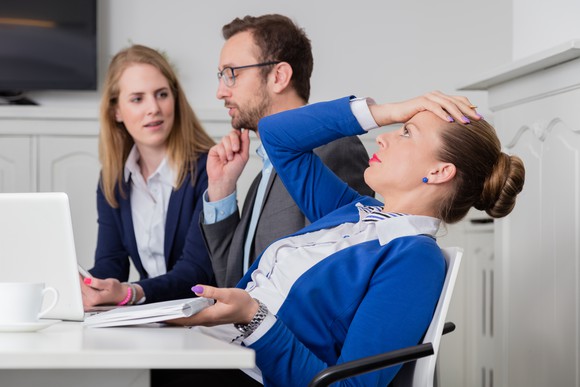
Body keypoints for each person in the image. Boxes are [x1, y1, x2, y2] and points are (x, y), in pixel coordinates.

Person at [153, 91, 525, 386]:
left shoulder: (415, 260)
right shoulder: (354, 210)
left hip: (248, 374)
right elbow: (276, 135)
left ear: (439, 171)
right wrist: (391, 111)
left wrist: (252, 316)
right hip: (219, 351)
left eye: (406, 132)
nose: (383, 139)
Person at [201, 14, 374, 288]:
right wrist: (221, 191)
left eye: (231, 74)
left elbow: (337, 280)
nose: (220, 91)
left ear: (279, 76)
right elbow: (231, 282)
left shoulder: (333, 150)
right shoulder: (261, 178)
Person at [81, 44, 216, 308]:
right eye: (137, 98)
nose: (153, 108)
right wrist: (82, 284)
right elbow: (112, 264)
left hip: (203, 319)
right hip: (150, 317)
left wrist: (132, 292)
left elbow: (196, 272)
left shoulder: (208, 168)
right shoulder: (114, 179)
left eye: (162, 94)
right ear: (116, 111)